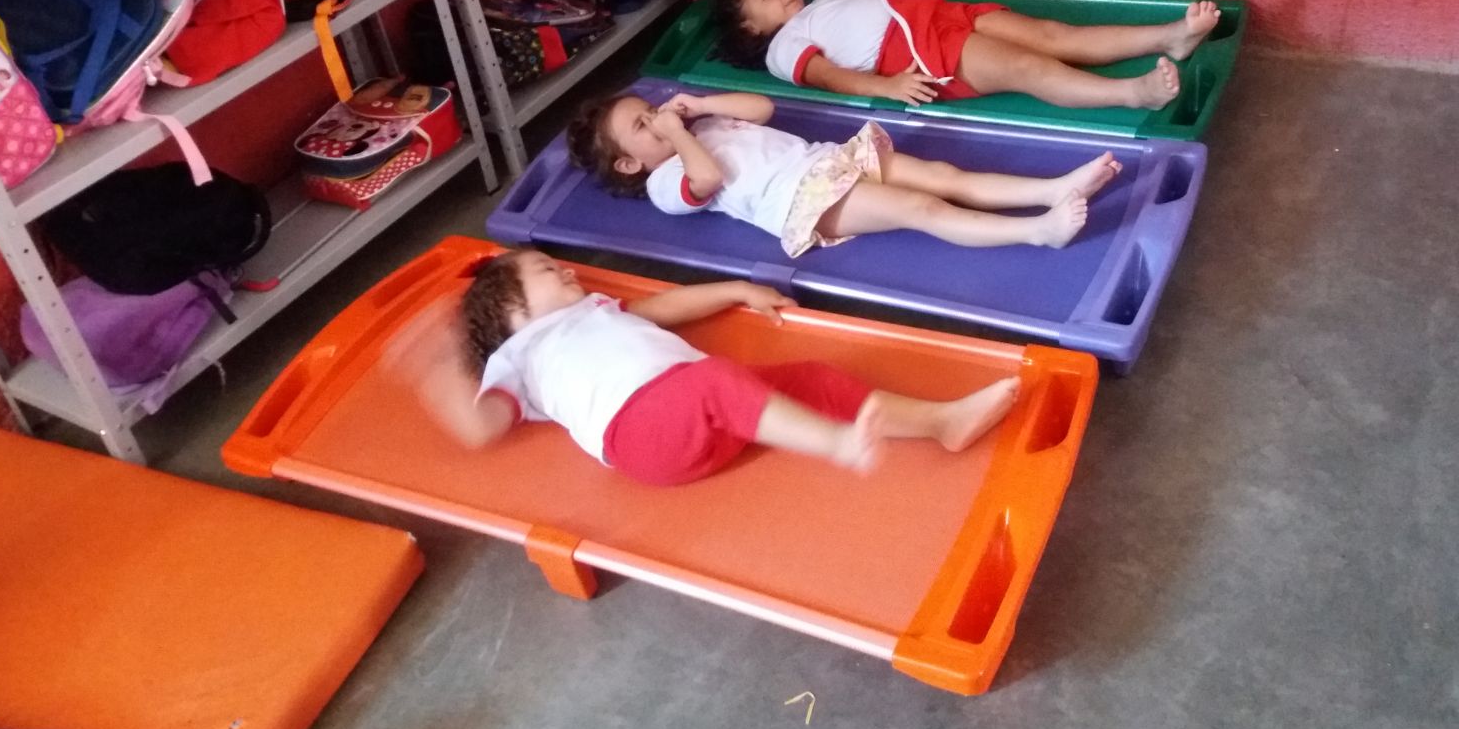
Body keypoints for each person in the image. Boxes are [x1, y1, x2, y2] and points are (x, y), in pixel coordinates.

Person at [398, 249, 1020, 486]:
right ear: (512, 312)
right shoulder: (520, 359)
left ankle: (943, 422)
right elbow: (481, 426)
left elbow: (666, 308)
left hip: (702, 410)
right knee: (716, 381)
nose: (564, 269)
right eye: (544, 270)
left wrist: (734, 289)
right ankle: (837, 445)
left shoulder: (596, 310)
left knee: (812, 378)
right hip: (642, 438)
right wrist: (436, 368)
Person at [567, 90, 1123, 256]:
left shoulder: (702, 123)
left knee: (943, 174)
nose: (657, 119)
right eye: (643, 126)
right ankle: (1037, 231)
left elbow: (762, 108)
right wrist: (680, 134)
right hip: (806, 200)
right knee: (922, 209)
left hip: (830, 159)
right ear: (629, 163)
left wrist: (701, 105)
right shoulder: (663, 183)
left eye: (651, 109)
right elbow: (706, 179)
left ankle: (1054, 188)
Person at [713, 0, 1222, 111]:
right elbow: (824, 75)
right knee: (1027, 68)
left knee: (1052, 35)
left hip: (937, 16)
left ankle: (1169, 37)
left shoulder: (816, 5)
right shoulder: (782, 47)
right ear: (750, 28)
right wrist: (885, 87)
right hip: (917, 52)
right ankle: (1134, 94)